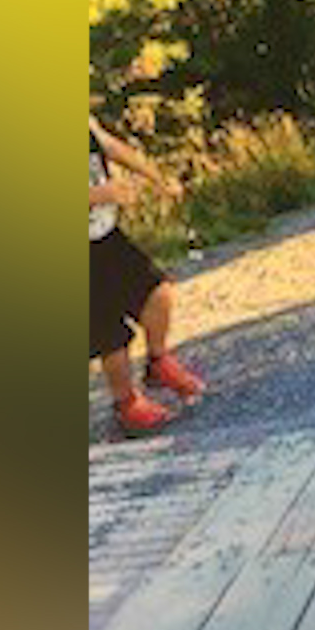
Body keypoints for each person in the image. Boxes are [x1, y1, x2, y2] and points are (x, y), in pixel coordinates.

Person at [90, 111, 206, 433]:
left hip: (105, 235)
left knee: (157, 291)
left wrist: (157, 177)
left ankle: (158, 362)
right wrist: (97, 195)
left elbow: (112, 147)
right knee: (110, 336)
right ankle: (126, 405)